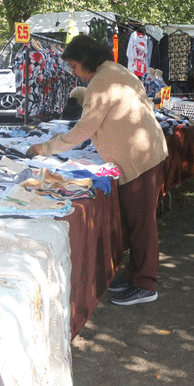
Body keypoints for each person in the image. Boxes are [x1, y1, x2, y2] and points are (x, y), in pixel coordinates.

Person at [26, 34, 169, 306]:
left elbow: (84, 129)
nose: (72, 72)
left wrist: (43, 148)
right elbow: (103, 111)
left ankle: (146, 284)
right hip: (145, 152)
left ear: (86, 61)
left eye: (74, 66)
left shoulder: (102, 80)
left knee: (141, 224)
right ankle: (136, 274)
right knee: (137, 222)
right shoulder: (113, 71)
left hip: (141, 158)